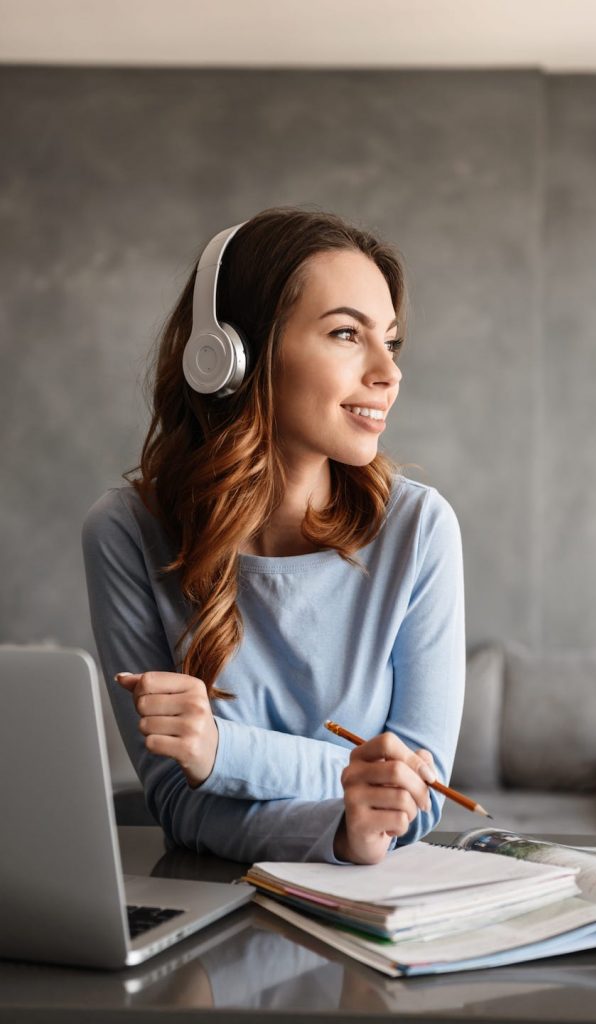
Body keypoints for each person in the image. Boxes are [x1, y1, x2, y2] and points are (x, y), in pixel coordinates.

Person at [82, 206, 465, 866]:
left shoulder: (418, 529)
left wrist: (223, 753)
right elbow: (177, 801)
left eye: (392, 342)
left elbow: (416, 794)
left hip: (373, 916)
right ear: (228, 355)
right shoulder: (123, 533)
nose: (388, 372)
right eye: (347, 334)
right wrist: (339, 827)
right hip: (210, 909)